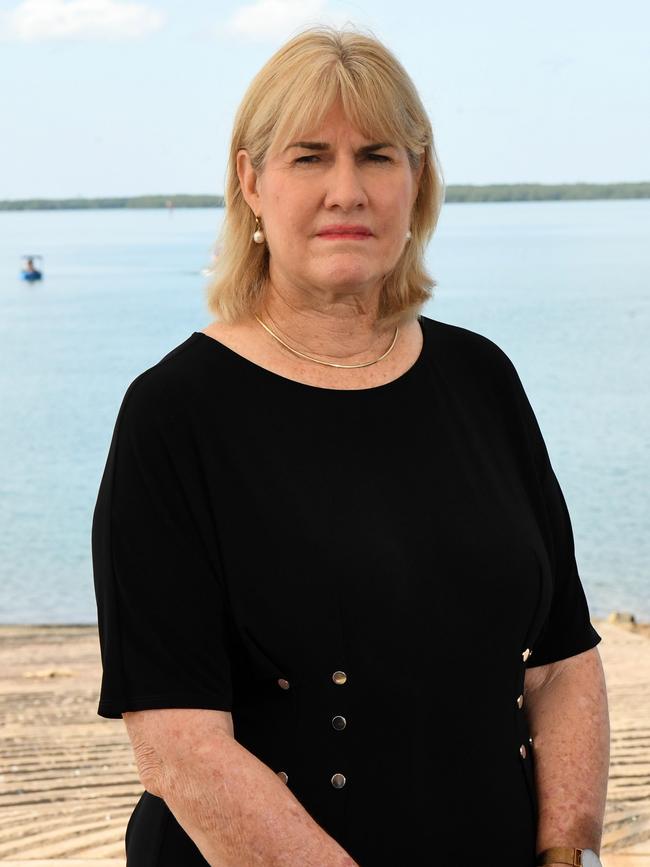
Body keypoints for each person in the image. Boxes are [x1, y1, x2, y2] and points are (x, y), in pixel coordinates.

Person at [91, 25, 610, 867]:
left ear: (417, 183)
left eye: (377, 155)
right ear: (250, 182)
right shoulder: (172, 414)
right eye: (308, 157)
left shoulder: (483, 377)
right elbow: (179, 745)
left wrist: (567, 851)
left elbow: (561, 660)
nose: (347, 190)